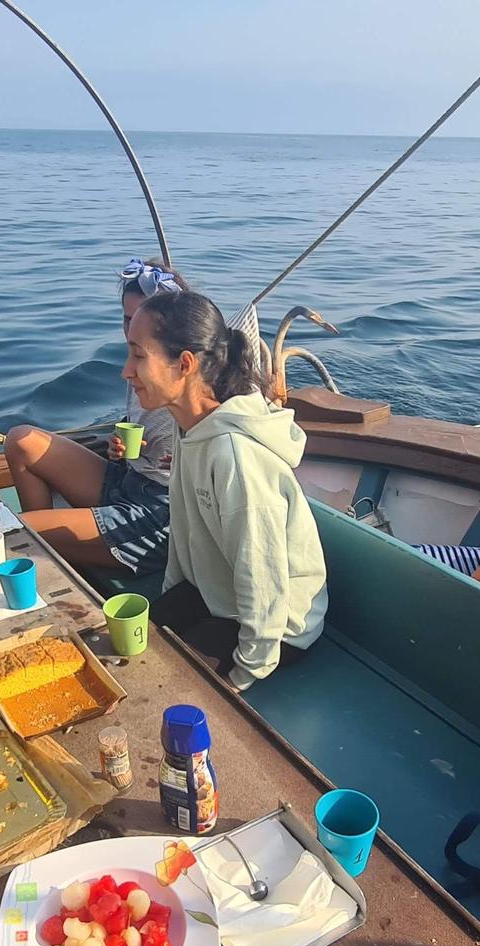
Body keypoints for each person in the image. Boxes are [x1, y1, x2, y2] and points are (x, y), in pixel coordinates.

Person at [122, 288, 329, 691]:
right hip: (217, 596)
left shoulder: (235, 456)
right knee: (124, 652)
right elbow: (185, 531)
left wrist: (240, 677)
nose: (125, 371)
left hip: (278, 632)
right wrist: (170, 605)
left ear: (184, 364)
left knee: (154, 685)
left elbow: (264, 577)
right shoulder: (190, 428)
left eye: (138, 355)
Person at [4, 258, 181, 574]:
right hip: (129, 480)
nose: (131, 331)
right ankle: (57, 558)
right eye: (127, 319)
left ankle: (52, 556)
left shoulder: (187, 380)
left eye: (141, 321)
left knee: (22, 531)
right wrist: (119, 449)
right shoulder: (137, 363)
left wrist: (180, 460)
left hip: (159, 515)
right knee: (22, 441)